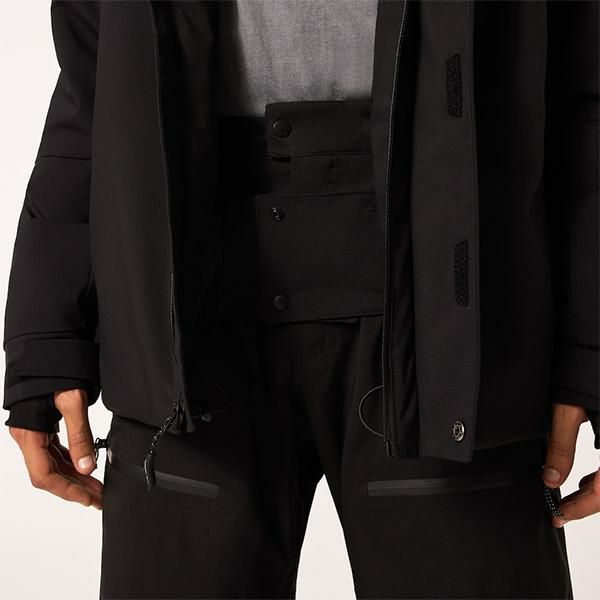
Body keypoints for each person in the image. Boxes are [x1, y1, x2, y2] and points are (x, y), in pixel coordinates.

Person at [4, 1, 599, 598]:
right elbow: (93, 85)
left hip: (452, 329)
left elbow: (583, 88)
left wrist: (590, 352)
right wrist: (44, 344)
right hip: (183, 322)